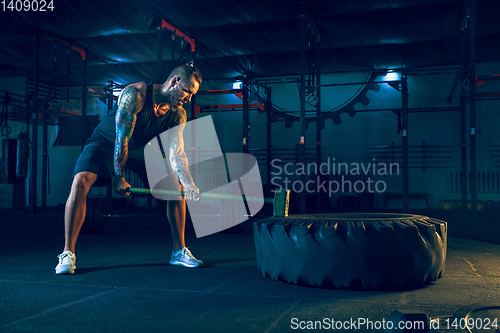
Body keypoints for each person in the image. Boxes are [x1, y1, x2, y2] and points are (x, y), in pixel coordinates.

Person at [55, 62, 203, 275]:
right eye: (188, 92)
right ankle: (67, 253)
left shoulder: (178, 113)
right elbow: (121, 139)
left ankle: (179, 251)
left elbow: (176, 154)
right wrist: (119, 176)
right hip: (106, 143)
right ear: (175, 82)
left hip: (141, 150)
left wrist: (189, 183)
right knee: (80, 182)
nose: (189, 98)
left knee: (176, 186)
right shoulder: (135, 95)